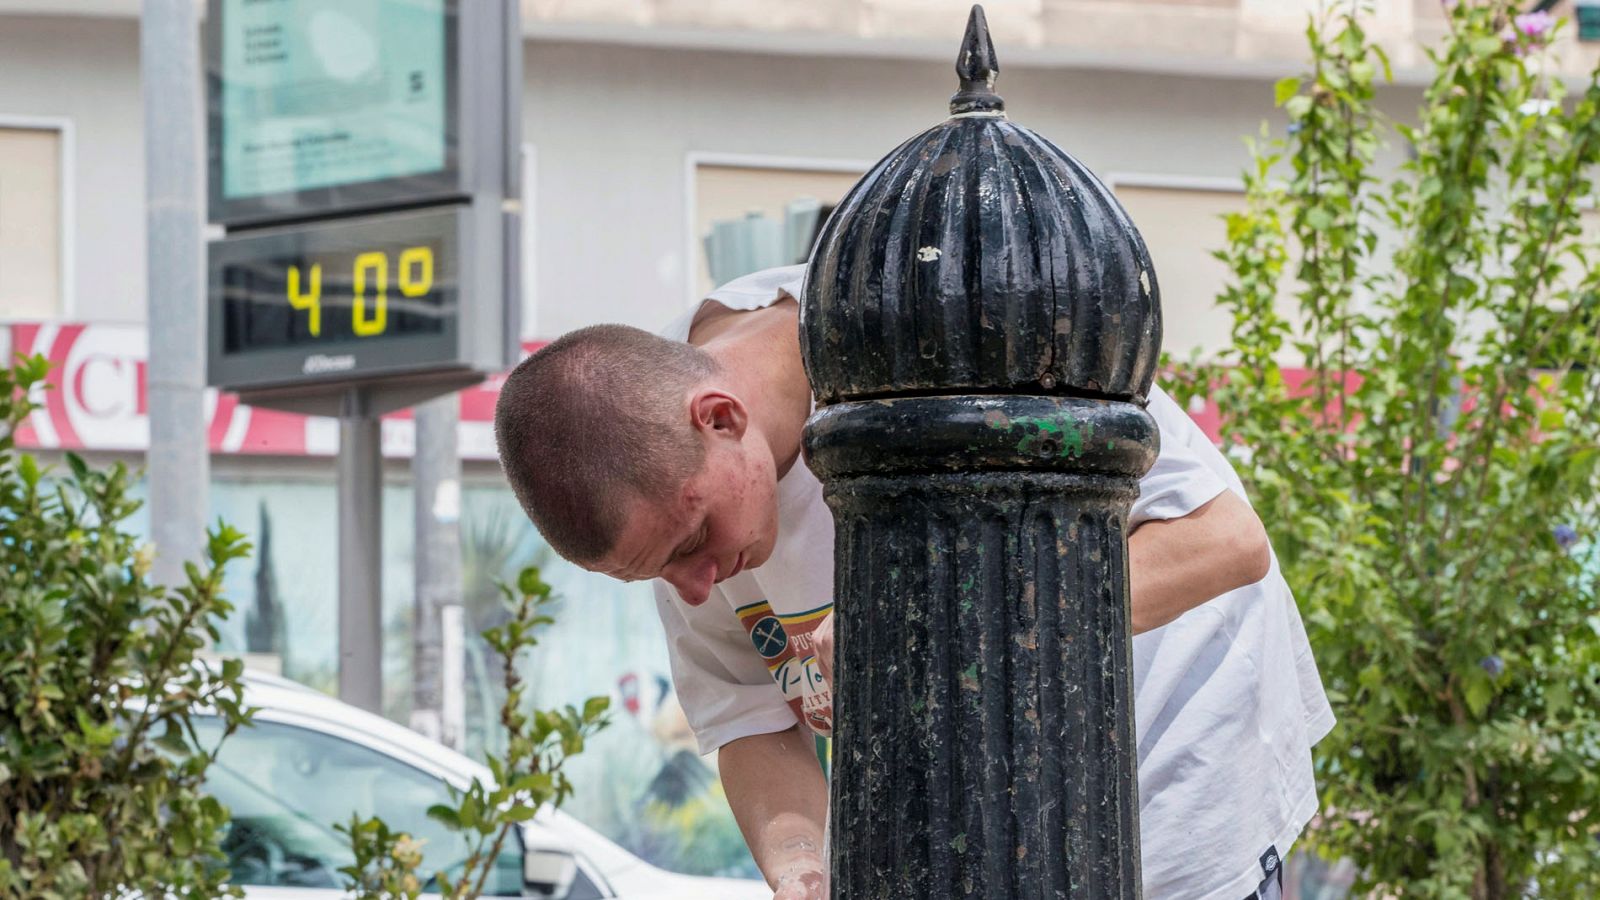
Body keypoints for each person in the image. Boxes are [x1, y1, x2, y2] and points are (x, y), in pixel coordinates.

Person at [494, 265, 1335, 900]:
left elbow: (1224, 542)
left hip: (1176, 758)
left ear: (721, 418)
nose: (695, 584)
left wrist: (921, 633)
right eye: (661, 570)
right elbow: (749, 718)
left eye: (692, 544)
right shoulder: (661, 466)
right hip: (982, 822)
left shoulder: (940, 323)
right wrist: (801, 869)